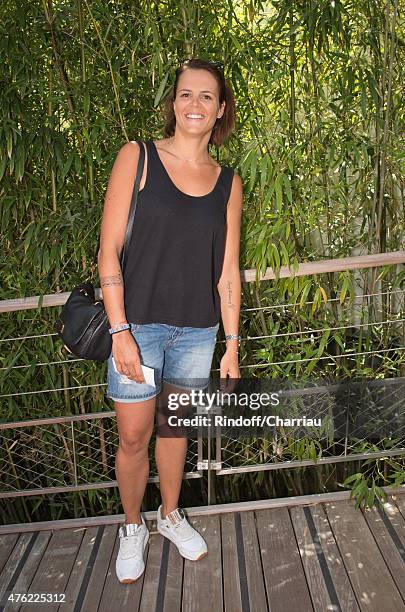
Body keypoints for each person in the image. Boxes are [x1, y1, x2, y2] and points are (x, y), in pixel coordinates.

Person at [97, 58, 243, 584]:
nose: (195, 105)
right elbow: (108, 250)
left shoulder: (229, 181)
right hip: (138, 328)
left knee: (175, 429)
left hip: (199, 331)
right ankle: (132, 525)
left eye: (207, 97)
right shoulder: (136, 158)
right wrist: (120, 331)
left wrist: (231, 344)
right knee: (134, 437)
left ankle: (170, 515)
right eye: (186, 94)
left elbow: (228, 272)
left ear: (220, 109)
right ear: (173, 103)